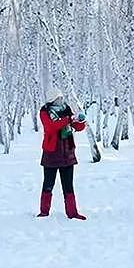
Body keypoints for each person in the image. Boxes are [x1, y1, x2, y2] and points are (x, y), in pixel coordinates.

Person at [37, 87, 87, 220]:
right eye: (57, 99)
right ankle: (44, 212)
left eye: (61, 98)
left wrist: (80, 121)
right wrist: (68, 119)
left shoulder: (66, 109)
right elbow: (50, 127)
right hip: (51, 153)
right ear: (52, 100)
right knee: (48, 183)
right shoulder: (44, 112)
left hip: (67, 152)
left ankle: (72, 213)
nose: (61, 100)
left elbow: (77, 127)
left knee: (68, 185)